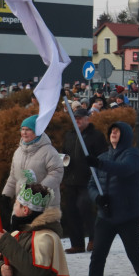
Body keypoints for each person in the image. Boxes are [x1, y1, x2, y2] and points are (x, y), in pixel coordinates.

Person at [72, 122, 139, 276]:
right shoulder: (102, 157)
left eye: (117, 131)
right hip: (106, 216)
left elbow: (125, 169)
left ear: (125, 135)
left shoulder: (132, 154)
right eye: (111, 131)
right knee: (97, 257)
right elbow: (92, 184)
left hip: (128, 214)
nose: (113, 134)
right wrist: (98, 199)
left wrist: (100, 164)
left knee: (133, 253)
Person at [60, 108, 106, 253]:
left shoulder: (96, 136)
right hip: (71, 179)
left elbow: (103, 157)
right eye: (75, 118)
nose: (77, 120)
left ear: (88, 119)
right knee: (71, 211)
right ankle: (77, 244)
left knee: (85, 207)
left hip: (88, 180)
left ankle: (94, 239)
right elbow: (63, 152)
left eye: (80, 118)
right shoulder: (69, 135)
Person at [2, 115, 64, 212]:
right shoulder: (18, 151)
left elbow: (56, 172)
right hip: (21, 205)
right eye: (22, 129)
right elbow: (13, 176)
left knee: (39, 227)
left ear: (37, 131)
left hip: (43, 205)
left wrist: (39, 190)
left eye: (28, 130)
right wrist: (6, 195)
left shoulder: (49, 151)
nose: (24, 133)